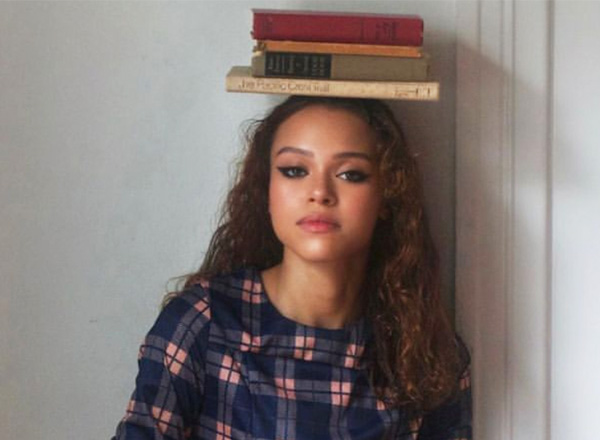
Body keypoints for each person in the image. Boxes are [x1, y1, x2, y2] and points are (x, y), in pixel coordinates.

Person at [112, 96, 471, 439]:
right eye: (295, 170)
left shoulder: (427, 352)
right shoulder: (204, 323)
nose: (319, 192)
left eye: (350, 174)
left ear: (387, 197)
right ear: (265, 190)